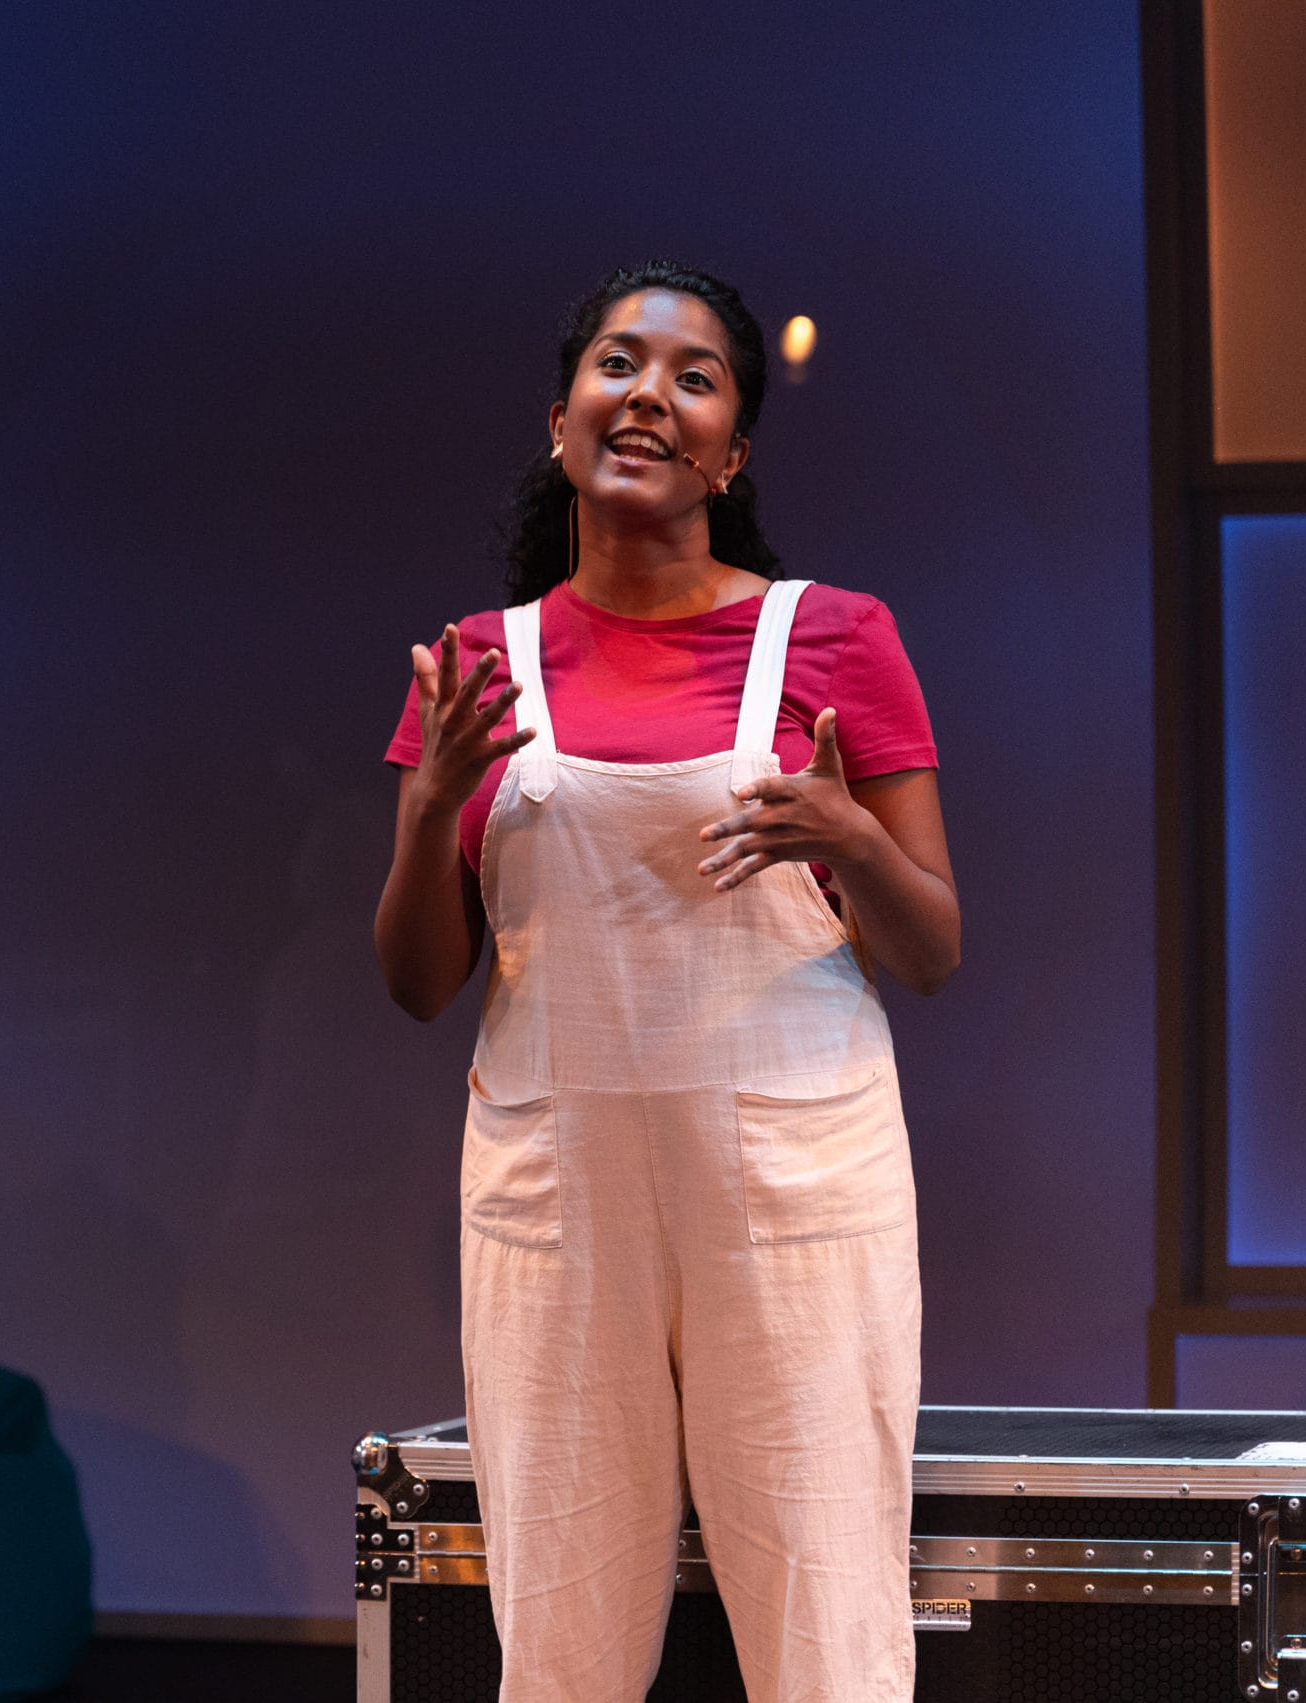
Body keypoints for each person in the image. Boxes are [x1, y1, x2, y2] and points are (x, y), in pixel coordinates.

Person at [376, 262, 959, 1702]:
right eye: (619, 365)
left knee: (827, 1622)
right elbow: (419, 979)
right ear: (563, 414)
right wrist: (425, 804)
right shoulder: (473, 665)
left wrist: (844, 837)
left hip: (800, 1194)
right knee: (562, 1636)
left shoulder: (835, 637)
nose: (651, 394)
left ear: (732, 450)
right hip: (556, 1194)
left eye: (696, 378)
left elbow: (933, 945)